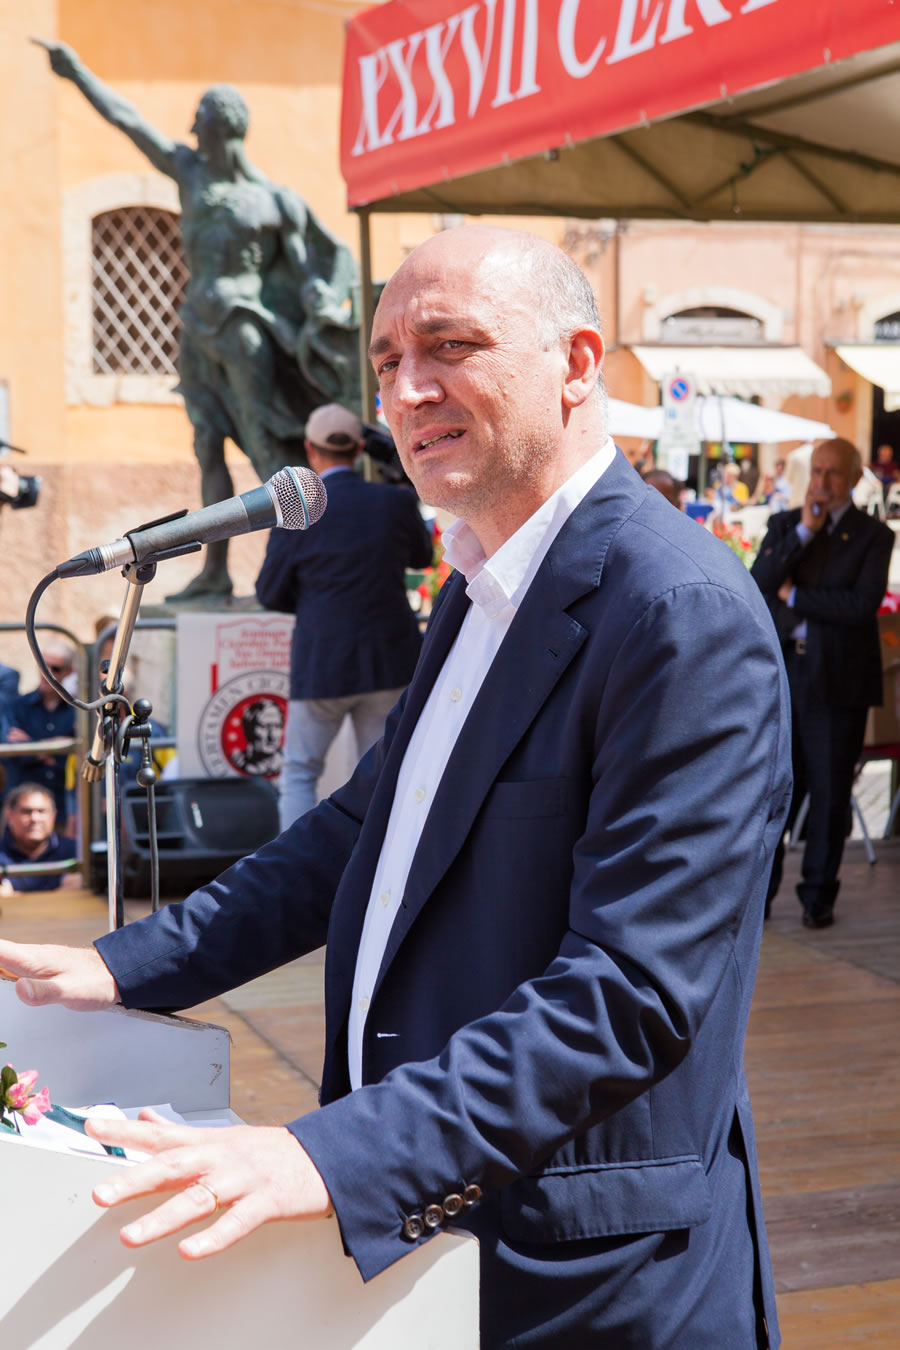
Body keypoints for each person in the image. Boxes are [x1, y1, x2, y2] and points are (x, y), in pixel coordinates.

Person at [0, 227, 792, 1350]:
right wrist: (122, 965)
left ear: (576, 364)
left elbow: (629, 992)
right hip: (440, 1229)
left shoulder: (681, 615)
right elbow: (365, 827)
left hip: (588, 1281)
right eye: (385, 361)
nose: (407, 389)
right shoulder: (478, 581)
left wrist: (331, 1156)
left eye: (451, 347)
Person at [36, 40, 359, 601]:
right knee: (207, 444)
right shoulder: (189, 174)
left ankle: (309, 562)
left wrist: (321, 306)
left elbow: (314, 269)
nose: (190, 129)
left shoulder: (274, 202)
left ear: (220, 126)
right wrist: (77, 72)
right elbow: (129, 121)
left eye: (199, 119)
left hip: (244, 328)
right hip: (197, 330)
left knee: (262, 445)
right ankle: (216, 570)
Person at [256, 403, 433, 829]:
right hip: (389, 662)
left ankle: (297, 869)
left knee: (300, 772)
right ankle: (374, 864)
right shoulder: (393, 501)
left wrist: (315, 606)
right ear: (358, 448)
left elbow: (269, 592)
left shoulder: (297, 513)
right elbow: (422, 556)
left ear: (309, 450)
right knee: (381, 776)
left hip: (322, 662)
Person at [751, 437, 894, 928]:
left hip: (837, 681)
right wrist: (805, 535)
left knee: (830, 795)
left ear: (853, 478)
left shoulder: (874, 535)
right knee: (773, 792)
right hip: (785, 676)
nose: (822, 482)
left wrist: (795, 597)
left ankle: (818, 899)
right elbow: (759, 585)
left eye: (833, 473)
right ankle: (759, 899)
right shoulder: (785, 525)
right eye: (816, 471)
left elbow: (861, 606)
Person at [3, 642, 77, 826]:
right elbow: (13, 753)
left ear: (69, 672)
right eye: (43, 666)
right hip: (21, 807)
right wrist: (60, 746)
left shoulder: (78, 712)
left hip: (63, 807)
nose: (47, 673)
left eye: (56, 669)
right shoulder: (17, 706)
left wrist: (32, 745)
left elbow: (78, 757)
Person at [0, 783, 79, 893]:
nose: (35, 818)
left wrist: (14, 897)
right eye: (26, 811)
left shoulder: (75, 852)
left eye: (41, 811)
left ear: (54, 815)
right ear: (10, 815)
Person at [230, 699, 285, 778]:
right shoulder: (237, 761)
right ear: (249, 730)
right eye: (264, 726)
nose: (272, 736)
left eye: (277, 726)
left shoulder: (290, 763)